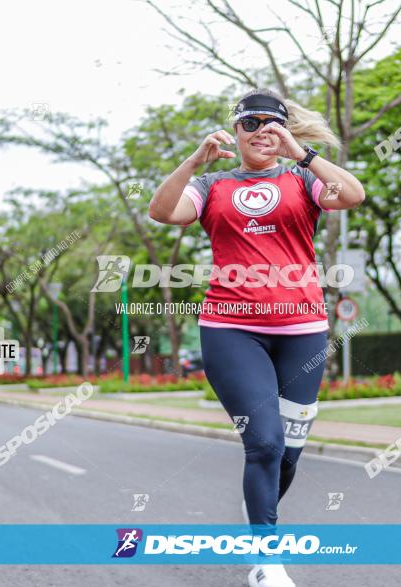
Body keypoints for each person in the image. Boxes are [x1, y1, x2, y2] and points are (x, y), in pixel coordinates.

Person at [149, 89, 365, 587]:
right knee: (264, 444)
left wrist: (303, 153)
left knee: (288, 451)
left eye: (273, 124)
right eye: (251, 124)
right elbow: (163, 212)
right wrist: (192, 159)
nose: (262, 131)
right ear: (236, 130)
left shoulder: (304, 178)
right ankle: (267, 560)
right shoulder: (212, 184)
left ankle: (255, 515)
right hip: (231, 329)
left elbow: (353, 195)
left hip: (303, 332)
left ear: (285, 130)